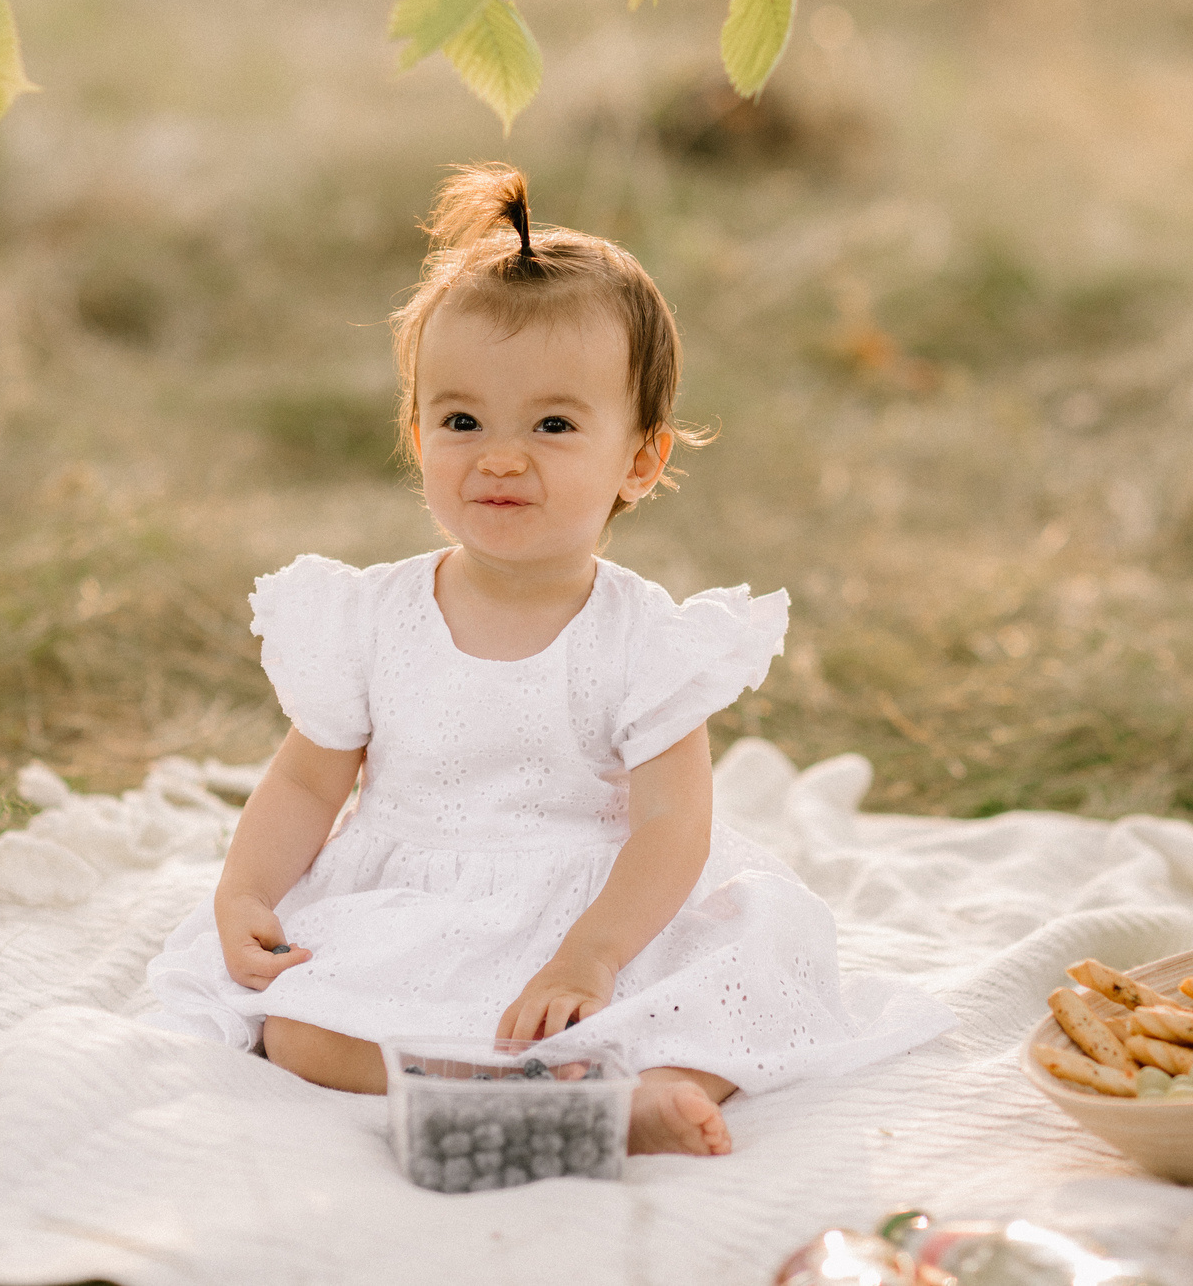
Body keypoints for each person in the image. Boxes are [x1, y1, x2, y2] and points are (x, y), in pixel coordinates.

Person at [142, 163, 954, 1156]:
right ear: (416, 434)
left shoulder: (643, 641)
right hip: (416, 900)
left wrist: (591, 959)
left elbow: (671, 825)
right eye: (461, 421)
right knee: (297, 1030)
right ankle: (544, 1100)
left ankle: (627, 1093)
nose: (500, 457)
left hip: (598, 898)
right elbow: (307, 785)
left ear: (640, 460)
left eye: (554, 425)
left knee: (749, 974)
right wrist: (243, 895)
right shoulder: (369, 617)